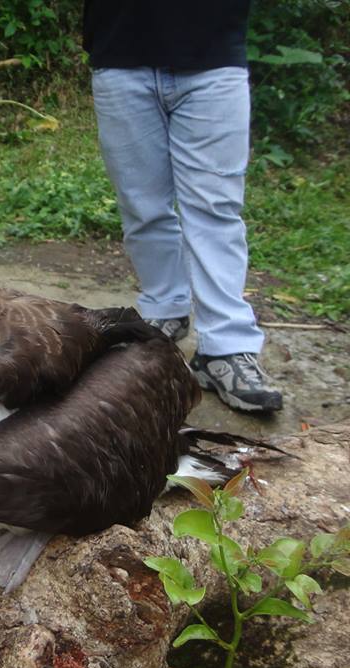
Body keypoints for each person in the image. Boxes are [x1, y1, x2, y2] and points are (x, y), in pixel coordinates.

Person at [83, 0, 283, 413]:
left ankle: (225, 348)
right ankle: (165, 309)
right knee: (142, 206)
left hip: (215, 57)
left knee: (215, 211)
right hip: (120, 53)